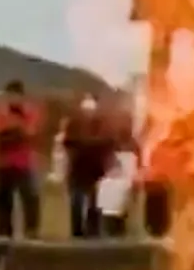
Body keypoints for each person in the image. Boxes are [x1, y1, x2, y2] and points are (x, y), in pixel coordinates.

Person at [0, 83, 41, 239]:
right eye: (9, 96)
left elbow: (31, 131)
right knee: (3, 201)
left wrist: (11, 129)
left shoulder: (29, 111)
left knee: (30, 197)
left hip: (23, 162)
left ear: (22, 97)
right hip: (2, 163)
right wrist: (12, 129)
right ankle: (2, 235)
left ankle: (31, 233)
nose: (12, 99)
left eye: (16, 96)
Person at [58, 92, 111, 239]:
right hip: (78, 166)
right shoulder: (73, 123)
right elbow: (67, 142)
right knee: (77, 200)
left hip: (94, 168)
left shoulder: (100, 123)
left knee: (94, 201)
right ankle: (77, 232)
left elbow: (107, 142)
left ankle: (93, 231)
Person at [96, 141, 141, 237]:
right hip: (118, 202)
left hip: (109, 203)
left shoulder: (111, 157)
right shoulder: (131, 159)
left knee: (109, 230)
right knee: (118, 230)